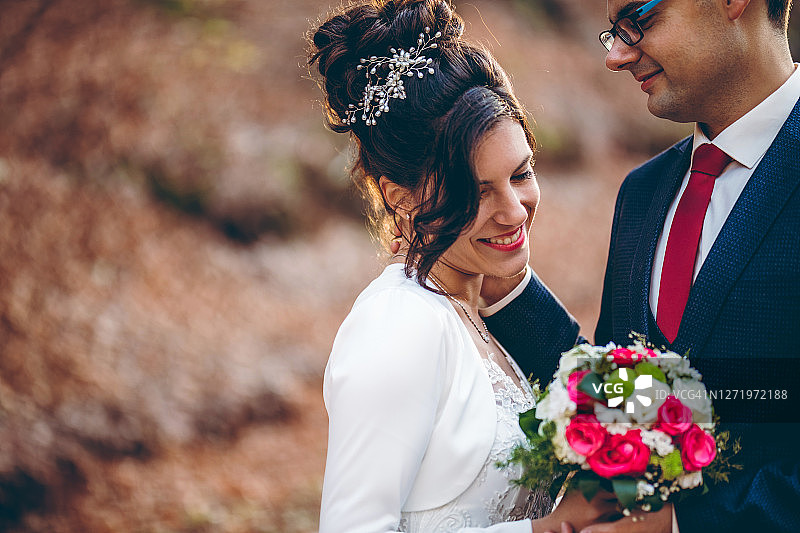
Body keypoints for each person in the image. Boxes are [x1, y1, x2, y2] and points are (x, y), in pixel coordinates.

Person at [482, 0, 800, 532]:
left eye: (640, 19)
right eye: (615, 32)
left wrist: (681, 523)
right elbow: (619, 385)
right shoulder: (644, 192)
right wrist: (507, 291)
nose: (617, 56)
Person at [308, 1, 619, 531]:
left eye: (521, 174)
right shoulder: (397, 327)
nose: (514, 210)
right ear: (399, 197)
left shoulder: (475, 310)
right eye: (475, 193)